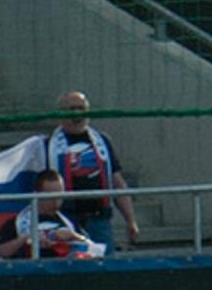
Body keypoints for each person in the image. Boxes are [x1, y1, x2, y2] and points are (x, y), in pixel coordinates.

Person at [46, 90, 142, 250]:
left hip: (99, 220)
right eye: (71, 109)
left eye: (81, 108)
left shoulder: (102, 141)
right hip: (66, 220)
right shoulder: (48, 145)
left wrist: (130, 220)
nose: (77, 114)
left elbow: (118, 183)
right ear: (60, 113)